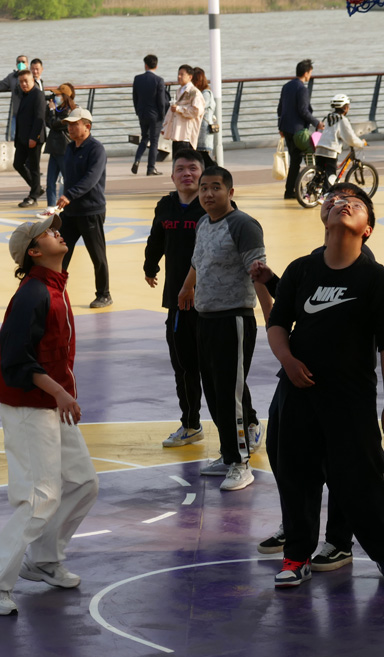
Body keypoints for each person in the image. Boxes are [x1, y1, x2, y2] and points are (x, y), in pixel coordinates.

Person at [266, 186, 384, 589]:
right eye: (338, 201)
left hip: (351, 398)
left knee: (363, 479)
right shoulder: (300, 269)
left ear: (368, 229)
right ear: (324, 218)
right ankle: (296, 557)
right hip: (298, 394)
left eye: (356, 204)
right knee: (296, 476)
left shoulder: (378, 280)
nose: (344, 204)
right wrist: (288, 361)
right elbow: (277, 324)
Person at [0, 214, 99, 617]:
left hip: (51, 402)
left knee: (82, 482)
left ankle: (43, 559)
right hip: (30, 405)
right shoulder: (33, 293)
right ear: (33, 252)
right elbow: (15, 360)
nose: (57, 233)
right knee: (40, 497)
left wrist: (60, 394)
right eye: (48, 233)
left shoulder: (54, 286)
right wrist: (60, 392)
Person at [251, 181, 375, 564]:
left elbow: (336, 314)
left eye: (349, 200)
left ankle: (339, 540)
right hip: (298, 377)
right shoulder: (310, 261)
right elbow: (303, 306)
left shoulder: (361, 264)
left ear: (365, 223)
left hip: (338, 384)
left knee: (338, 464)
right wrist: (271, 283)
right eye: (332, 198)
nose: (336, 202)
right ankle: (296, 525)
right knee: (285, 454)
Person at [178, 166, 270, 491]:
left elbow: (258, 273)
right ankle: (229, 454)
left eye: (215, 187)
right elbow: (197, 261)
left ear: (230, 192)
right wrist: (187, 287)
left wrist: (273, 319)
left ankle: (241, 463)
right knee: (215, 393)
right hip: (206, 319)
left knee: (230, 396)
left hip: (234, 320)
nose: (207, 194)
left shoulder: (243, 225)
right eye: (203, 188)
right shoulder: (204, 223)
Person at [143, 149, 207, 448]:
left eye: (193, 168)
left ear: (202, 174)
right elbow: (156, 239)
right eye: (180, 169)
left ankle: (246, 422)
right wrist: (150, 266)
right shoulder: (165, 206)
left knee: (219, 369)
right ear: (172, 176)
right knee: (183, 367)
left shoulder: (213, 206)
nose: (187, 174)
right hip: (178, 302)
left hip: (212, 303)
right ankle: (191, 424)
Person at [55, 108, 111, 309]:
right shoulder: (70, 148)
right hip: (70, 212)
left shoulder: (96, 149)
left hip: (90, 211)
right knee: (60, 252)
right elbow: (69, 178)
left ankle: (104, 294)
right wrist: (63, 198)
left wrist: (69, 195)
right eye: (69, 125)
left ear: (87, 126)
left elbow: (91, 178)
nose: (70, 128)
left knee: (97, 255)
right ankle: (55, 291)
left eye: (74, 124)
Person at [277, 59, 323, 200]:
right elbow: (303, 111)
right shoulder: (302, 89)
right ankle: (312, 185)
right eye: (310, 73)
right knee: (314, 154)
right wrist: (317, 123)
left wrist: (280, 127)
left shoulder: (286, 86)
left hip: (286, 128)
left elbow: (280, 108)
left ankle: (290, 190)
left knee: (295, 161)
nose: (310, 75)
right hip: (298, 131)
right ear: (306, 73)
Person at [314, 94, 365, 187]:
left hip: (319, 148)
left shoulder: (328, 117)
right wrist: (361, 143)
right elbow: (351, 138)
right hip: (330, 150)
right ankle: (326, 194)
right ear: (345, 108)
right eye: (348, 106)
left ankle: (309, 192)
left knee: (319, 174)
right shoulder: (342, 120)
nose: (349, 108)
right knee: (331, 175)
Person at [132, 54, 169, 176]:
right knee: (154, 141)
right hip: (155, 115)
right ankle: (150, 168)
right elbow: (161, 101)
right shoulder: (159, 80)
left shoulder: (137, 79)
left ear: (145, 65)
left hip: (142, 114)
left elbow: (135, 97)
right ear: (156, 66)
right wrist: (162, 116)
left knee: (144, 138)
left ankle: (137, 160)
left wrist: (138, 111)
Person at [13, 69, 46, 208]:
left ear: (33, 80)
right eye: (21, 82)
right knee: (17, 163)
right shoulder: (24, 94)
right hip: (22, 138)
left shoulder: (38, 95)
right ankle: (37, 188)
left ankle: (33, 196)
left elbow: (39, 118)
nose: (23, 84)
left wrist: (34, 137)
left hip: (33, 138)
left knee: (34, 167)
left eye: (26, 81)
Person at [43, 83, 77, 210]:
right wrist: (49, 109)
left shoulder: (69, 112)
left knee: (67, 179)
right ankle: (51, 206)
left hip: (63, 149)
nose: (56, 97)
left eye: (58, 95)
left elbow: (55, 125)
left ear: (64, 96)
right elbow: (48, 122)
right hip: (54, 148)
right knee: (50, 180)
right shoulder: (58, 109)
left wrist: (52, 111)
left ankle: (66, 204)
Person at [161, 64, 204, 158]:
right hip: (177, 134)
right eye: (178, 74)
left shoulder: (194, 92)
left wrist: (179, 109)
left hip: (186, 136)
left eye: (182, 74)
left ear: (190, 77)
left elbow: (197, 111)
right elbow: (172, 110)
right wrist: (165, 127)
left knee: (185, 161)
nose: (179, 76)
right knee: (177, 161)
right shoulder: (179, 91)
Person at [194, 68, 217, 168]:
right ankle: (212, 169)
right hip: (202, 128)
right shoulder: (204, 92)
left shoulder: (205, 94)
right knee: (202, 155)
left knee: (203, 154)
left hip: (204, 129)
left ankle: (214, 169)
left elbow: (198, 108)